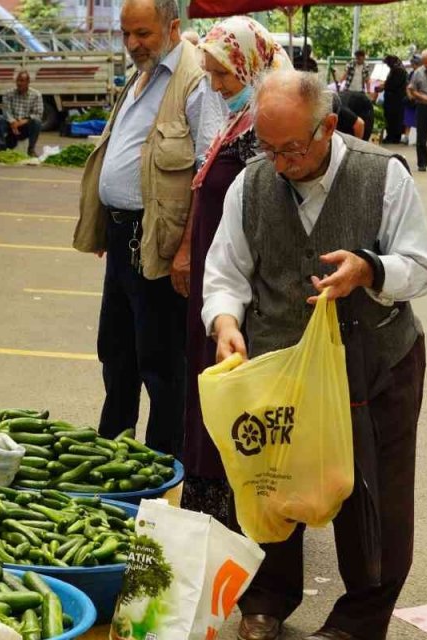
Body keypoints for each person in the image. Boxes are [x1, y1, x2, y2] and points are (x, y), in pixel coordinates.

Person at [203, 69, 427, 640]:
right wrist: (226, 322)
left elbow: (424, 266)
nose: (280, 162)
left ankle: (360, 619)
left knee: (373, 494)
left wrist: (371, 268)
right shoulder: (251, 183)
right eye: (268, 147)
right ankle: (266, 598)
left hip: (375, 362)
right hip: (282, 364)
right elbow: (225, 272)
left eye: (291, 148)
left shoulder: (380, 175)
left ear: (327, 127)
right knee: (274, 479)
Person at [72, 0, 224, 456]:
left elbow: (206, 169)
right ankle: (112, 451)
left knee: (160, 362)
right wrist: (108, 222)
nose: (133, 44)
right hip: (124, 238)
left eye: (143, 34)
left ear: (172, 27)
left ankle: (161, 465)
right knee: (116, 352)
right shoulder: (143, 74)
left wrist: (186, 250)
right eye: (126, 34)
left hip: (161, 240)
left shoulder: (194, 82)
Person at [182, 15, 289, 527]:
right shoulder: (236, 122)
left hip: (242, 293)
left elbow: (268, 220)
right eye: (211, 75)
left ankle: (239, 507)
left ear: (251, 66)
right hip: (217, 284)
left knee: (237, 395)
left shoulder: (263, 131)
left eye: (223, 75)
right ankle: (213, 501)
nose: (216, 86)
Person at [0, 70, 43, 157]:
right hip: (11, 125)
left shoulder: (36, 95)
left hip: (25, 126)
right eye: (18, 80)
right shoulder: (8, 93)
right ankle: (2, 147)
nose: (19, 83)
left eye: (22, 81)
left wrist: (22, 121)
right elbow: (6, 111)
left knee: (37, 122)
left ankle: (31, 149)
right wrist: (12, 122)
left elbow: (38, 113)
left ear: (28, 82)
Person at [380, 55, 408, 144]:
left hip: (395, 99)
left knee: (393, 118)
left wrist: (384, 86)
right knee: (393, 118)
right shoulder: (398, 69)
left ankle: (393, 137)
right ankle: (392, 136)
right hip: (395, 98)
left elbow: (393, 85)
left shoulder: (398, 71)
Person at [402, 54, 421, 144]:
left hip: (420, 100)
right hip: (411, 100)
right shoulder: (411, 73)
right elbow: (407, 85)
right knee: (408, 119)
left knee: (419, 120)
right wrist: (409, 95)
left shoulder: (423, 74)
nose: (413, 66)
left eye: (414, 64)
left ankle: (419, 139)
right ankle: (406, 137)